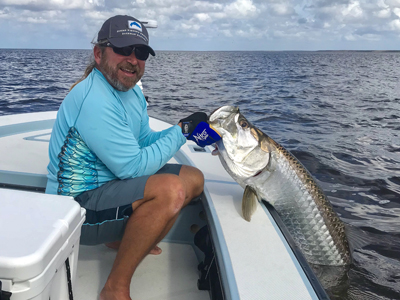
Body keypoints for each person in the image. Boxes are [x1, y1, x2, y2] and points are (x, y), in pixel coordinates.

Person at [45, 15, 220, 300]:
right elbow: (132, 166)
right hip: (72, 209)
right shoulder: (93, 98)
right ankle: (114, 288)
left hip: (107, 193)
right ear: (99, 53)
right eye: (123, 49)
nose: (132, 59)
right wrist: (180, 132)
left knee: (193, 179)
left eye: (140, 53)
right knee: (170, 191)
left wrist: (185, 129)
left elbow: (142, 142)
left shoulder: (131, 94)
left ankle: (123, 239)